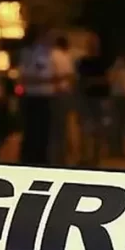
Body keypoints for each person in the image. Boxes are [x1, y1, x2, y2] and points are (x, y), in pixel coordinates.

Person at [18, 24, 55, 165]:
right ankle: (29, 159)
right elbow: (25, 77)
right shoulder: (29, 53)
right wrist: (49, 80)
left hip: (46, 97)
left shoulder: (49, 53)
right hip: (33, 97)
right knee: (32, 131)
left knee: (44, 132)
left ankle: (41, 159)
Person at [75, 34, 108, 167]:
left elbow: (107, 80)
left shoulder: (103, 62)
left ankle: (95, 157)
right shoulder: (83, 62)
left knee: (98, 130)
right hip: (86, 98)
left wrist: (92, 82)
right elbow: (79, 80)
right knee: (85, 129)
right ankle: (85, 157)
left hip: (99, 98)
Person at [49, 34, 75, 165]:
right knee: (61, 126)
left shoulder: (53, 55)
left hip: (56, 93)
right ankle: (60, 156)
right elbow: (70, 76)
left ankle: (57, 156)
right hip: (62, 93)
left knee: (56, 127)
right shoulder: (63, 56)